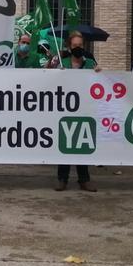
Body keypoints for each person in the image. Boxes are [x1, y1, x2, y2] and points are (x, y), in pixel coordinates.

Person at [55, 31, 98, 192]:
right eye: (74, 46)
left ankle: (84, 179)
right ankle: (62, 179)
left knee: (82, 144)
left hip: (84, 108)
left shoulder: (90, 63)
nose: (78, 48)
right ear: (69, 46)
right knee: (65, 144)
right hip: (64, 108)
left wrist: (99, 73)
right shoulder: (62, 62)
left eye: (80, 45)